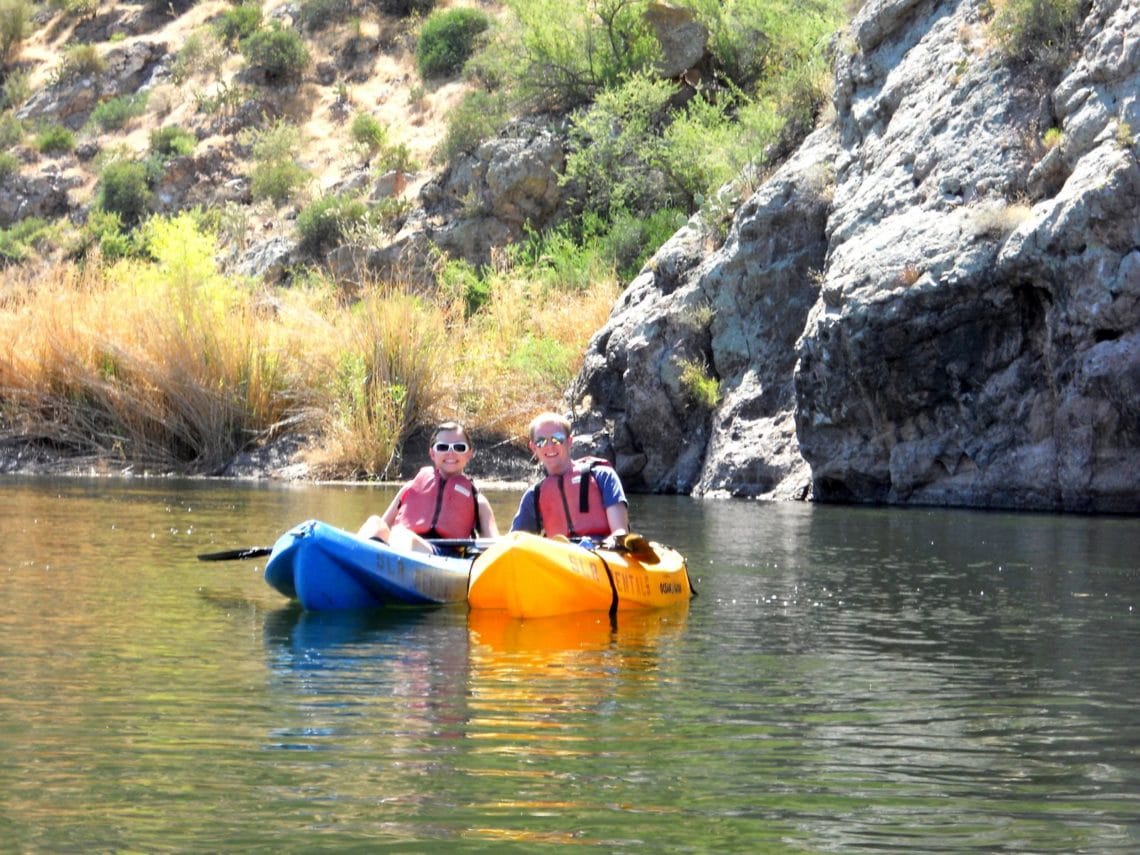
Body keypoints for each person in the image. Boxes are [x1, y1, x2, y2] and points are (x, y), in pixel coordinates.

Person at [357, 421, 499, 553]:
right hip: (402, 546)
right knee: (375, 523)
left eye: (459, 447)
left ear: (469, 454)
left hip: (442, 557)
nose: (451, 453)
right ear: (432, 453)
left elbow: (493, 547)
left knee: (402, 535)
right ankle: (352, 560)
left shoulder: (478, 501)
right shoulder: (409, 488)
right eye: (442, 447)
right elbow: (384, 526)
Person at [509, 411, 629, 542]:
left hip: (602, 553)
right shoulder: (533, 495)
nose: (550, 446)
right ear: (533, 447)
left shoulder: (602, 476)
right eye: (541, 441)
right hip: (559, 557)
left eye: (557, 439)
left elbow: (620, 533)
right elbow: (514, 542)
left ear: (569, 441)